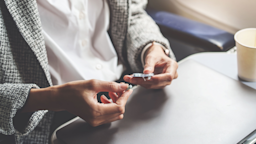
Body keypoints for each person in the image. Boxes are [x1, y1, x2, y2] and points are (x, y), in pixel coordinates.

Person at [0, 0, 178, 143]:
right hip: (48, 116)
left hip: (130, 93)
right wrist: (51, 98)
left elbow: (132, 13)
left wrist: (151, 48)